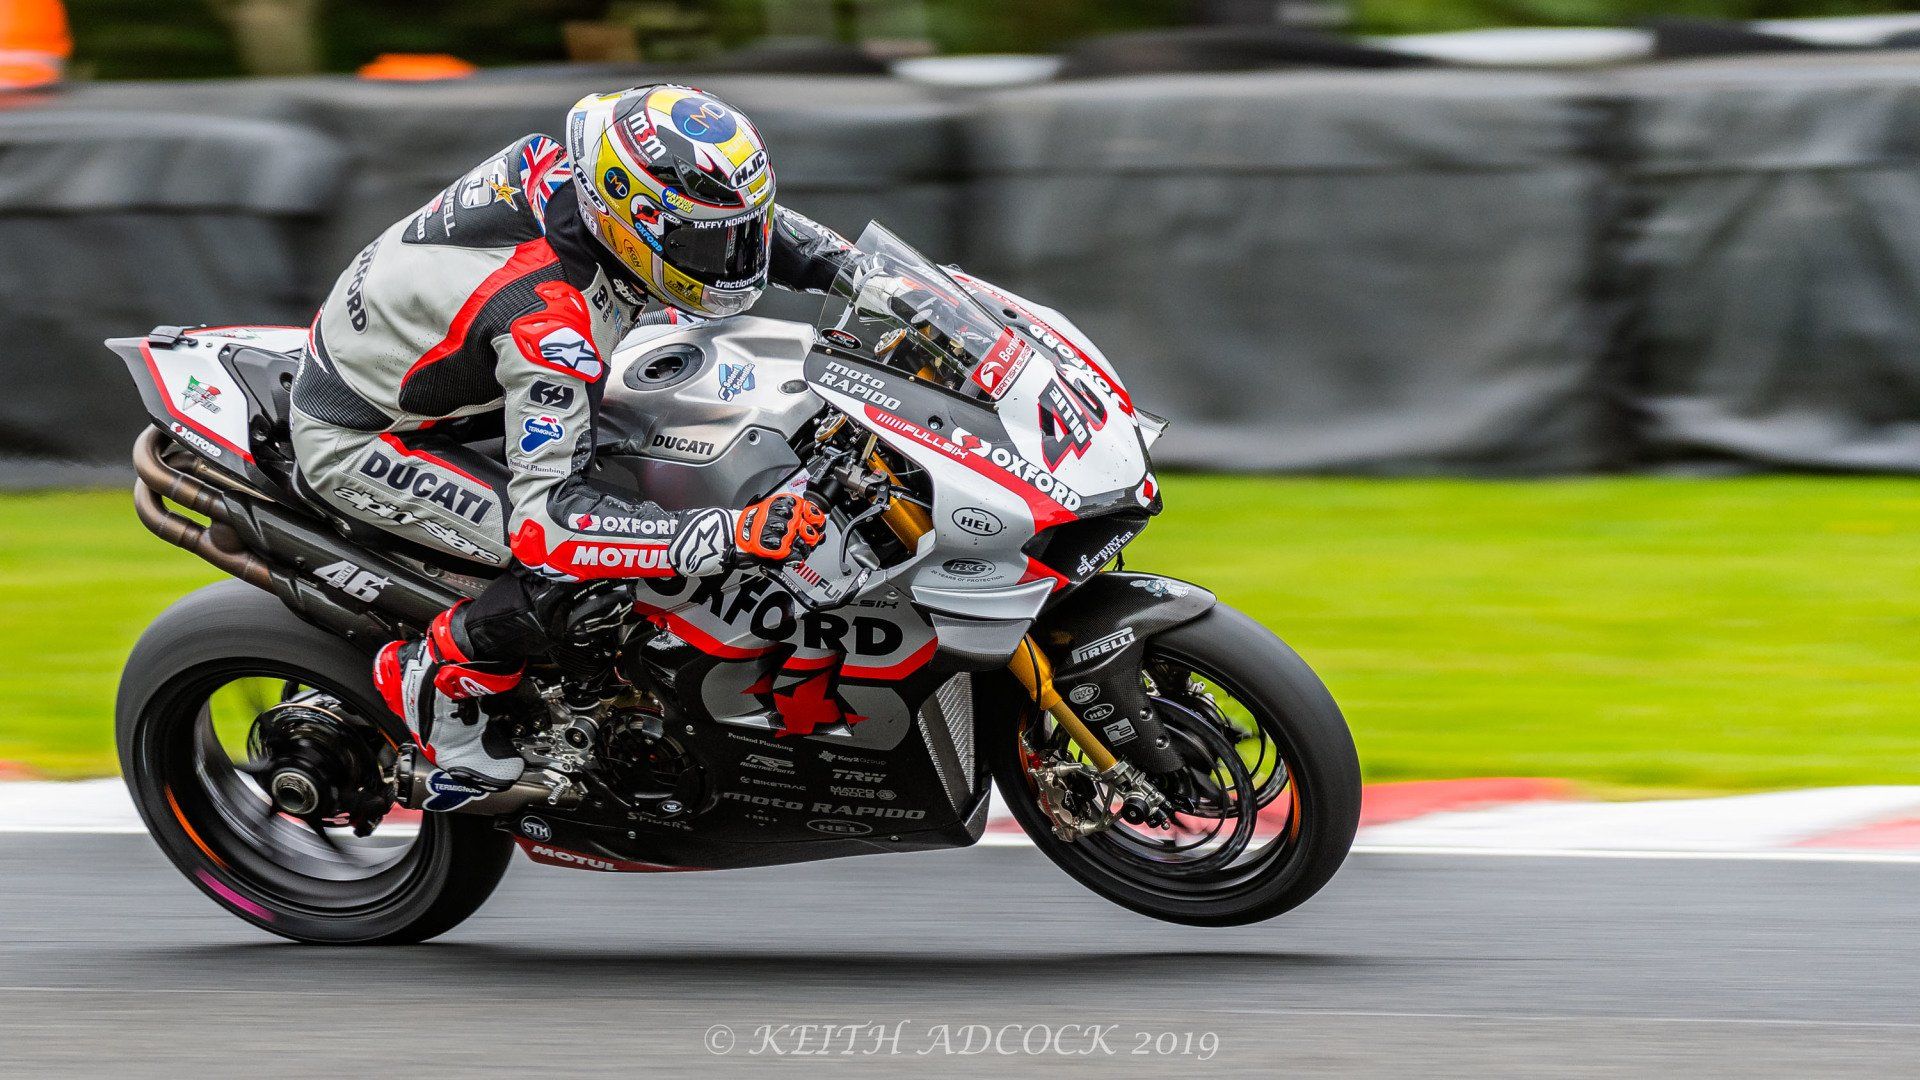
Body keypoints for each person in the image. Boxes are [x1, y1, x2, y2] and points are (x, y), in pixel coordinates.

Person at [290, 86, 859, 789]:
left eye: (740, 232)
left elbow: (754, 232)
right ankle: (435, 677)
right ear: (631, 222)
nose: (734, 259)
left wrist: (874, 280)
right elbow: (547, 527)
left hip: (463, 377)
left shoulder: (590, 181)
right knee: (589, 568)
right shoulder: (551, 329)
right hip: (370, 436)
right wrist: (733, 530)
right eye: (709, 243)